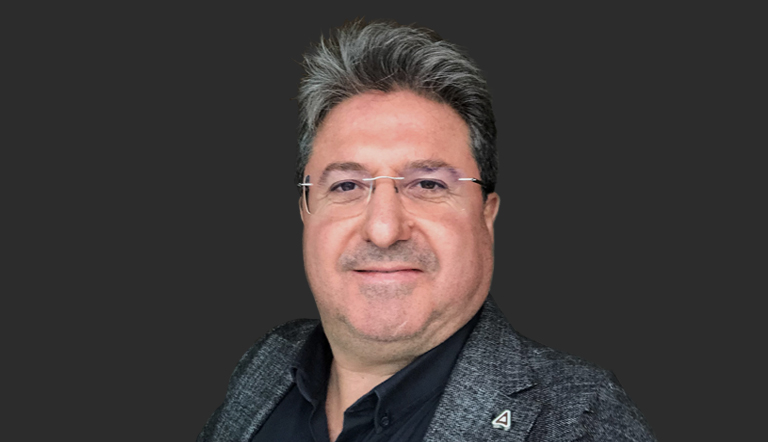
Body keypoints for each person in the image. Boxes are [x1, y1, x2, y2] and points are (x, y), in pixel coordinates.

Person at [198, 19, 656, 441]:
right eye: (346, 185)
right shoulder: (269, 361)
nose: (383, 229)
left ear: (486, 214)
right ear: (306, 210)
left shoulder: (580, 420)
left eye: (428, 184)